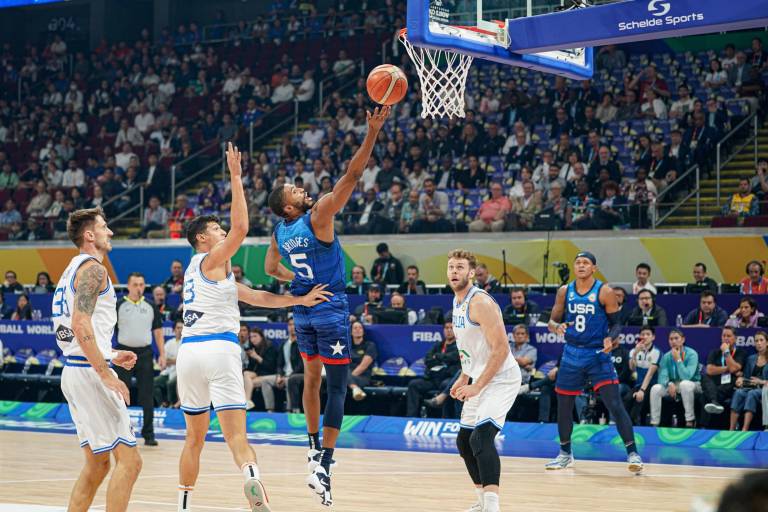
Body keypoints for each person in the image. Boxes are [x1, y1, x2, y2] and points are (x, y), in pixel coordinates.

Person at [176, 143, 332, 512]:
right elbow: (242, 226)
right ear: (202, 238)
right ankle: (250, 478)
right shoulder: (211, 258)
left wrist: (299, 299)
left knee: (193, 439)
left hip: (188, 354)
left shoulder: (201, 273)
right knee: (235, 436)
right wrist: (234, 175)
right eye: (215, 229)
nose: (221, 231)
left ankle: (182, 504)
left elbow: (257, 297)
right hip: (219, 350)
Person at [264, 107, 390, 507]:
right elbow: (352, 176)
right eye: (294, 192)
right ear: (289, 207)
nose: (302, 190)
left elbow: (270, 269)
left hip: (303, 309)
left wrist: (299, 285)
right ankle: (325, 463)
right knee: (337, 385)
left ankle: (312, 446)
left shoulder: (280, 231)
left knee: (311, 379)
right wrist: (371, 133)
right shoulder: (317, 215)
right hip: (331, 305)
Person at [52, 207, 142, 511]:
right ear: (90, 235)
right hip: (90, 374)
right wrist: (105, 372)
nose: (111, 232)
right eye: (105, 227)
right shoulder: (93, 269)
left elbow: (74, 330)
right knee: (130, 462)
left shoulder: (71, 269)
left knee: (97, 465)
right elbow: (80, 324)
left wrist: (111, 354)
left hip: (76, 370)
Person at [545, 251, 643, 473]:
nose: (580, 266)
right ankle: (565, 454)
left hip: (597, 354)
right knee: (563, 406)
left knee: (614, 404)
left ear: (593, 268)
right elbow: (551, 320)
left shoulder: (604, 291)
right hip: (571, 353)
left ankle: (633, 453)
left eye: (585, 263)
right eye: (577, 262)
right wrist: (556, 326)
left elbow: (617, 323)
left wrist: (611, 337)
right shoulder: (564, 291)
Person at [447, 249, 521, 512]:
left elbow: (501, 349)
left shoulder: (481, 302)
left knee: (481, 439)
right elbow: (468, 347)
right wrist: (464, 376)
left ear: (471, 273)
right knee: (464, 442)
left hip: (501, 378)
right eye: (451, 267)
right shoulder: (456, 301)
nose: (454, 272)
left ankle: (492, 506)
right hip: (478, 377)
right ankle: (481, 502)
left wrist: (477, 385)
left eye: (460, 267)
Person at [114, 272, 166, 446]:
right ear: (128, 286)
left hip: (144, 354)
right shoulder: (118, 305)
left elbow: (158, 332)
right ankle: (120, 431)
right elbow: (107, 331)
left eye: (141, 285)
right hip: (123, 353)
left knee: (147, 394)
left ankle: (148, 434)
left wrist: (162, 354)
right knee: (120, 394)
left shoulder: (151, 306)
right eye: (135, 285)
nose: (138, 288)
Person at [405, 320, 460, 417]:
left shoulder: (459, 345)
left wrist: (437, 357)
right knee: (414, 385)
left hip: (447, 378)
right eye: (446, 328)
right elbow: (428, 359)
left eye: (451, 328)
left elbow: (453, 357)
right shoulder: (438, 345)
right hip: (433, 378)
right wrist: (442, 358)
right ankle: (411, 417)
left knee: (446, 384)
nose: (449, 330)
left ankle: (445, 418)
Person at [649, 329, 701, 428]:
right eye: (671, 339)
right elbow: (662, 377)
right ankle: (655, 423)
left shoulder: (692, 354)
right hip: (674, 385)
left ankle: (689, 420)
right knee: (655, 388)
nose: (673, 341)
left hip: (693, 384)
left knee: (684, 384)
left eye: (676, 338)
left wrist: (678, 359)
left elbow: (687, 376)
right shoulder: (666, 356)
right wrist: (669, 383)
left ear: (683, 340)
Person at [702, 327, 748, 420]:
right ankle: (714, 402)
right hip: (716, 382)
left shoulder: (741, 353)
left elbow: (734, 368)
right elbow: (710, 370)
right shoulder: (715, 352)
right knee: (705, 377)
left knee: (704, 396)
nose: (726, 338)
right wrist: (729, 368)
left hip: (730, 383)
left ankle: (705, 425)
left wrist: (726, 352)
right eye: (724, 336)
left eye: (729, 336)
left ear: (735, 338)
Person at [729, 331, 767, 431]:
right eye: (756, 341)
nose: (759, 343)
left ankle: (745, 429)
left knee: (752, 394)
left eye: (761, 340)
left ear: (767, 343)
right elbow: (746, 376)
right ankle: (731, 429)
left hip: (764, 388)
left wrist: (761, 382)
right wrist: (741, 380)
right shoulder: (751, 359)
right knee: (738, 392)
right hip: (750, 385)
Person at [628, 326, 661, 425]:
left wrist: (641, 391)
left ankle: (639, 427)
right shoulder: (634, 351)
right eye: (643, 334)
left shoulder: (656, 352)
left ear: (653, 337)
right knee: (627, 399)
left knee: (640, 401)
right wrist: (635, 353)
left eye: (648, 334)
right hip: (638, 385)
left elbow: (650, 374)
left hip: (651, 385)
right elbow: (632, 368)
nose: (645, 337)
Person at [243, 327, 279, 411]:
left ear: (261, 337)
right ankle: (247, 401)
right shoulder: (252, 348)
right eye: (251, 337)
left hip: (269, 374)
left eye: (255, 336)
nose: (253, 339)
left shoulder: (270, 347)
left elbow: (271, 367)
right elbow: (252, 368)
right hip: (258, 373)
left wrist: (257, 357)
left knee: (249, 382)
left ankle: (247, 401)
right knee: (245, 374)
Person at [347, 321, 378, 401]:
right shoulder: (347, 346)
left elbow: (363, 367)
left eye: (360, 328)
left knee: (343, 374)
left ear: (363, 331)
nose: (358, 330)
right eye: (355, 328)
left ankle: (355, 388)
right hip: (348, 377)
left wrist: (349, 378)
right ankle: (355, 388)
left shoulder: (370, 345)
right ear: (351, 332)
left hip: (362, 377)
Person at [154, 320, 181, 408]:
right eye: (178, 328)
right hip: (168, 371)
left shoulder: (185, 343)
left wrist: (171, 361)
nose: (180, 330)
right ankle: (162, 403)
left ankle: (172, 405)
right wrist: (171, 361)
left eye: (182, 328)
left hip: (180, 372)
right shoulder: (169, 343)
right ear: (174, 330)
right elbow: (163, 359)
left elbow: (181, 361)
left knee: (170, 384)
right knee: (153, 383)